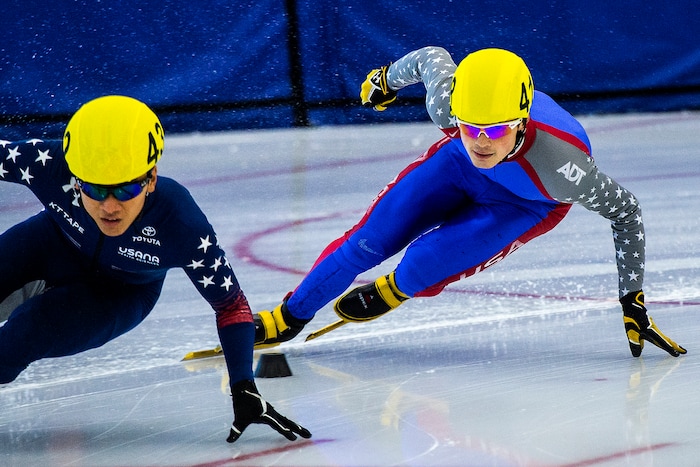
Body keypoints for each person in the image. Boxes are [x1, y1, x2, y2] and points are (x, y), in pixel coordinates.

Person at [253, 46, 686, 359]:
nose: (481, 142)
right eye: (469, 126)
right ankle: (289, 316)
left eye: (496, 131)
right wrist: (386, 79)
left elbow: (626, 211)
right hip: (456, 168)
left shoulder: (563, 167)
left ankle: (399, 286)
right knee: (368, 242)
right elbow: (431, 57)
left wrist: (632, 298)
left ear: (521, 122)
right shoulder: (449, 110)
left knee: (422, 265)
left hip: (526, 202)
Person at [0, 95, 311, 444]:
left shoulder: (179, 222)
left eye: (126, 188)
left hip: (119, 293)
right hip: (50, 244)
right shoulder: (46, 164)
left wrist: (243, 387)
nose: (110, 206)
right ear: (75, 179)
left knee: (19, 338)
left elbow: (230, 305)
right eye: (95, 189)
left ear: (151, 178)